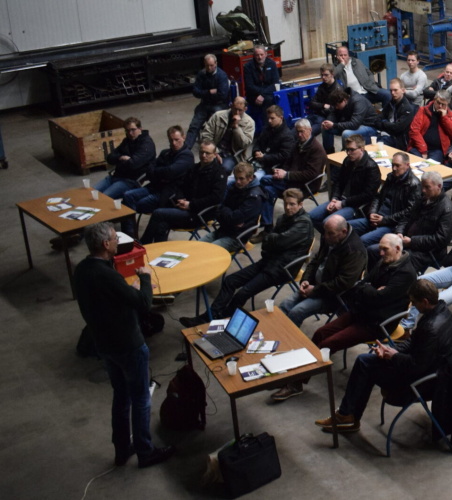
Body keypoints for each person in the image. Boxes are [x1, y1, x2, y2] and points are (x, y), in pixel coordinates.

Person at [74, 223, 174, 468]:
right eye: (114, 238)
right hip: (128, 344)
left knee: (120, 396)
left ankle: (121, 449)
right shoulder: (107, 275)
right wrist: (145, 278)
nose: (118, 242)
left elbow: (105, 299)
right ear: (105, 244)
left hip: (104, 343)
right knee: (141, 398)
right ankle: (145, 451)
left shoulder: (82, 269)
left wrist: (127, 292)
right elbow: (144, 304)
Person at [273, 233, 417, 401]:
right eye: (380, 249)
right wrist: (371, 290)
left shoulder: (406, 274)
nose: (381, 253)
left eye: (385, 249)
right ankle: (299, 370)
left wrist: (369, 291)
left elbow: (379, 297)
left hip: (376, 323)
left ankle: (296, 384)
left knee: (327, 344)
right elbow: (361, 285)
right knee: (320, 333)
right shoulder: (385, 262)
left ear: (398, 248)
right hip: (360, 311)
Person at [314, 279, 452, 433]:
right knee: (365, 361)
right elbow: (413, 342)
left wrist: (394, 356)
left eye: (414, 302)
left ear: (424, 301)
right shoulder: (441, 312)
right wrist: (390, 350)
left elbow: (416, 365)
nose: (412, 306)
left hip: (421, 381)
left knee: (365, 367)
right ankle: (348, 416)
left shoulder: (431, 328)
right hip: (424, 367)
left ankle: (347, 416)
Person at [180, 188, 314, 327]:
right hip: (269, 262)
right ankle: (209, 316)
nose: (288, 207)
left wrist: (271, 239)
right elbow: (269, 242)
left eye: (292, 204)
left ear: (300, 205)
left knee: (243, 293)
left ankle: (222, 319)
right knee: (230, 281)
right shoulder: (283, 218)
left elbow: (277, 241)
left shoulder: (303, 224)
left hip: (282, 269)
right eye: (286, 203)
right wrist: (272, 240)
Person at [279, 215, 367, 327]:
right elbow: (315, 261)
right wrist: (305, 280)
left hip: (333, 296)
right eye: (325, 232)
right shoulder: (330, 238)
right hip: (315, 286)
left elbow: (343, 283)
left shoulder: (355, 252)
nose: (325, 236)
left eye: (330, 233)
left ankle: (286, 336)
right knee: (285, 305)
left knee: (297, 312)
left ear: (343, 232)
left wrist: (315, 290)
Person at [141, 140, 227, 243]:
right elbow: (180, 186)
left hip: (200, 214)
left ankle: (144, 243)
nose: (203, 155)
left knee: (158, 213)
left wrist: (191, 205)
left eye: (207, 153)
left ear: (214, 155)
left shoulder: (219, 173)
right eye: (201, 152)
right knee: (162, 224)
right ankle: (157, 249)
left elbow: (215, 198)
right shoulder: (194, 168)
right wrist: (180, 199)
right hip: (185, 207)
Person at [121, 125, 192, 236]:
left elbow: (170, 171)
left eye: (177, 140)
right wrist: (162, 174)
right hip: (155, 186)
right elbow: (150, 169)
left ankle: (134, 237)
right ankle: (130, 237)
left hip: (167, 194)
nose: (174, 143)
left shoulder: (186, 156)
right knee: (127, 196)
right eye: (171, 140)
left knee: (135, 205)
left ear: (184, 137)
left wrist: (158, 173)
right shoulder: (165, 152)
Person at [348, 152, 421, 246]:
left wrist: (384, 220)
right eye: (393, 165)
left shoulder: (414, 184)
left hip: (391, 224)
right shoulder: (391, 177)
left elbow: (409, 212)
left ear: (407, 165)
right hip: (376, 218)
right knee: (344, 227)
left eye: (397, 165)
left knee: (363, 240)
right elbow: (378, 197)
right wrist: (372, 212)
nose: (394, 168)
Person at [391, 171, 452, 273]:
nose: (423, 190)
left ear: (439, 186)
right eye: (422, 186)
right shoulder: (423, 198)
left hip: (427, 252)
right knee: (376, 251)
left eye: (427, 187)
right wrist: (399, 231)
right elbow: (407, 217)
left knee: (395, 264)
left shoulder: (448, 210)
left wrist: (412, 241)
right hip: (407, 241)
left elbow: (440, 240)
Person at [309, 134, 380, 225]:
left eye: (352, 150)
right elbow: (339, 182)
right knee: (311, 217)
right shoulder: (348, 161)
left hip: (355, 205)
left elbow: (367, 195)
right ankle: (330, 233)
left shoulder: (371, 167)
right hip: (340, 200)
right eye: (347, 149)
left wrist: (343, 203)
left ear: (362, 149)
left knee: (329, 223)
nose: (349, 153)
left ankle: (334, 232)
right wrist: (334, 198)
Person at [200, 162, 266, 253]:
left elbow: (233, 218)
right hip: (223, 230)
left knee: (207, 252)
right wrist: (228, 215)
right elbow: (217, 209)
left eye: (241, 178)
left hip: (237, 238)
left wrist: (225, 211)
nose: (237, 182)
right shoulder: (233, 187)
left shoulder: (254, 197)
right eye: (236, 178)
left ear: (250, 178)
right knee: (196, 247)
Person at [265, 118, 326, 201]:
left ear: (310, 130)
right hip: (291, 180)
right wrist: (281, 172)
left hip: (305, 185)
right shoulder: (298, 143)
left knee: (265, 182)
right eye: (297, 132)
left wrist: (286, 174)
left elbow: (310, 174)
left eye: (302, 131)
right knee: (267, 190)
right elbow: (288, 161)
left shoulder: (317, 149)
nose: (299, 135)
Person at [97, 117, 155, 199]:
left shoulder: (146, 145)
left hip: (129, 181)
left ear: (140, 129)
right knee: (91, 192)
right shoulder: (127, 141)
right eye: (127, 131)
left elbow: (133, 164)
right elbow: (109, 158)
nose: (130, 133)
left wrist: (120, 160)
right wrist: (120, 157)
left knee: (103, 198)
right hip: (115, 176)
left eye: (133, 130)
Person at [200, 96, 255, 174]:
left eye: (240, 110)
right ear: (231, 105)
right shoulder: (218, 116)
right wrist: (214, 152)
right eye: (235, 109)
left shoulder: (249, 123)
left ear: (245, 109)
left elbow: (245, 144)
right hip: (215, 149)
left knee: (224, 169)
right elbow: (206, 134)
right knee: (206, 165)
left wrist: (236, 128)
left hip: (233, 154)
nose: (237, 113)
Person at [186, 54, 230, 148]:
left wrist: (203, 93)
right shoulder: (201, 74)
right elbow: (195, 92)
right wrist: (209, 92)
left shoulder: (222, 76)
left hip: (219, 104)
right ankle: (186, 148)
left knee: (219, 124)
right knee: (194, 125)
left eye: (211, 65)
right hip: (205, 104)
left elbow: (222, 95)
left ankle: (219, 146)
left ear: (216, 63)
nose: (209, 68)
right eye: (207, 65)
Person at [319, 88, 380, 156]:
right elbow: (333, 113)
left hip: (369, 126)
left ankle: (346, 156)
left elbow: (354, 124)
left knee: (346, 133)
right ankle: (329, 155)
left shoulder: (358, 101)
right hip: (350, 123)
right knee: (326, 129)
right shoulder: (339, 100)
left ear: (344, 100)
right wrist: (328, 122)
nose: (336, 107)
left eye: (337, 105)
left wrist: (334, 125)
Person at [409, 90, 452, 162]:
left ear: (448, 104)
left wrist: (445, 118)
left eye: (443, 104)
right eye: (438, 103)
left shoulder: (451, 114)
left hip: (437, 150)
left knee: (431, 165)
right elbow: (414, 131)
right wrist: (423, 150)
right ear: (434, 100)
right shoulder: (423, 110)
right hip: (419, 147)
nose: (440, 106)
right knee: (414, 161)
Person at [251, 105, 296, 177]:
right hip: (257, 162)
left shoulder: (287, 136)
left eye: (272, 118)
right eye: (268, 118)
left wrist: (265, 157)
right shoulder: (266, 129)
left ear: (281, 118)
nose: (269, 121)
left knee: (249, 179)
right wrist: (256, 151)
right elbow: (258, 142)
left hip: (270, 168)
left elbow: (284, 156)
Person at [377, 78, 418, 151]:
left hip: (398, 140)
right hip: (386, 133)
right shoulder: (391, 103)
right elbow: (379, 118)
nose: (393, 93)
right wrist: (385, 124)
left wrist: (384, 123)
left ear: (403, 90)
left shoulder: (407, 108)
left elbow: (397, 128)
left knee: (378, 147)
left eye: (395, 90)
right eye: (391, 90)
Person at [243, 45, 280, 115]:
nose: (259, 57)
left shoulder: (272, 64)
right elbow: (249, 86)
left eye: (261, 54)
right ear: (254, 55)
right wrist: (260, 94)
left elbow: (276, 83)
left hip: (268, 93)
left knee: (272, 99)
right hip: (254, 95)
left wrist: (263, 95)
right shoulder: (248, 67)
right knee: (266, 100)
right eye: (257, 55)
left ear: (266, 54)